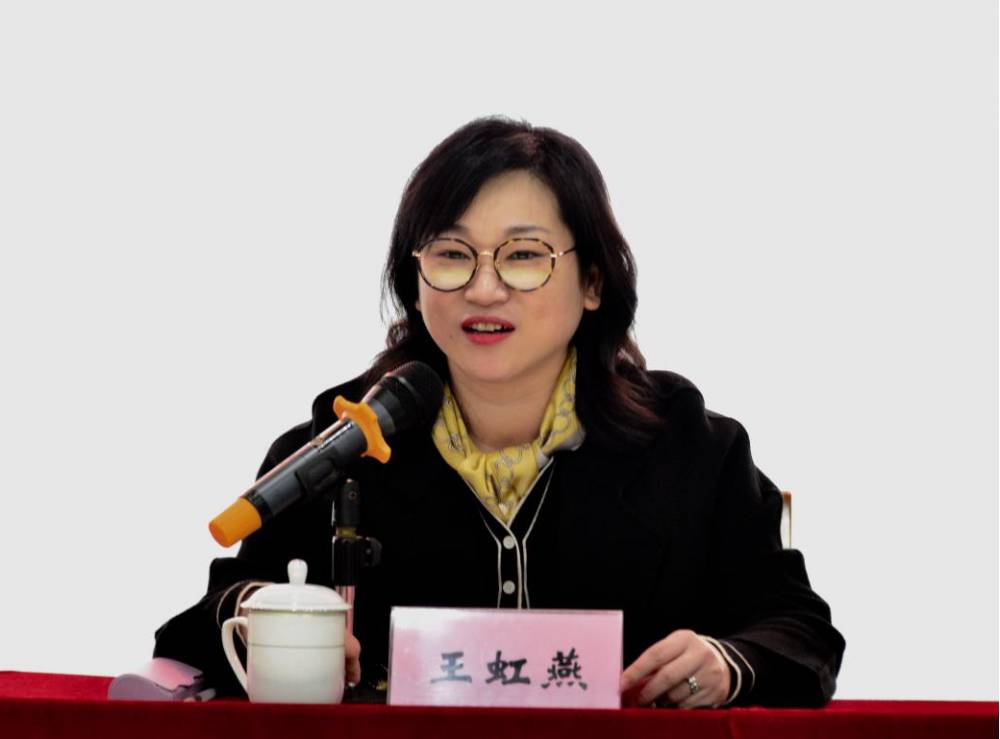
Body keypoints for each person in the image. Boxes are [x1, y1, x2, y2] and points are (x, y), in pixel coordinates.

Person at [153, 117, 845, 708]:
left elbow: (798, 628)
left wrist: (726, 664)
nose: (484, 288)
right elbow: (195, 632)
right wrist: (254, 616)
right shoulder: (343, 448)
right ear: (415, 280)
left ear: (594, 280)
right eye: (452, 254)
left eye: (523, 256)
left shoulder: (688, 445)